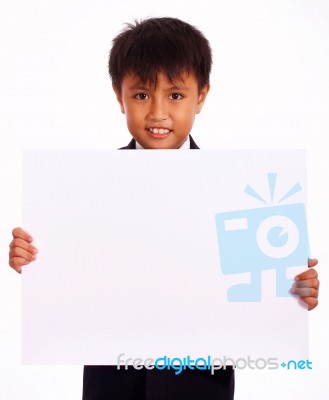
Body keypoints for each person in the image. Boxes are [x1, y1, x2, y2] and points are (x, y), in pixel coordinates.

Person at [8, 17, 319, 400]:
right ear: (118, 95)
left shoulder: (237, 193)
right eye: (141, 95)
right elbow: (73, 274)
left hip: (198, 386)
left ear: (201, 96)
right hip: (112, 383)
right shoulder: (84, 190)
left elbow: (253, 292)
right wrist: (36, 258)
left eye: (175, 95)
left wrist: (291, 288)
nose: (157, 113)